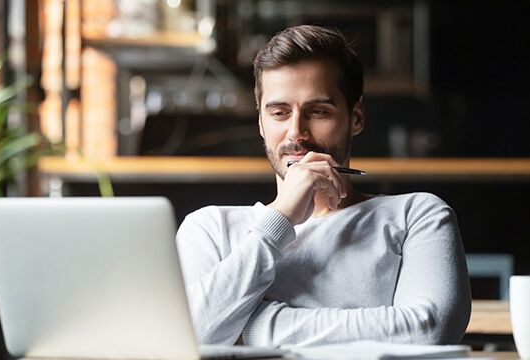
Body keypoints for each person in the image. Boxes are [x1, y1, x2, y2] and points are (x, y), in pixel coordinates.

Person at [176, 24, 471, 348]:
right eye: (279, 112)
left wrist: (253, 327)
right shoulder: (209, 228)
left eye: (317, 111)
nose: (296, 132)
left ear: (356, 116)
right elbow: (186, 338)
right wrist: (280, 218)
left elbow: (428, 332)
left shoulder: (418, 215)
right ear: (261, 122)